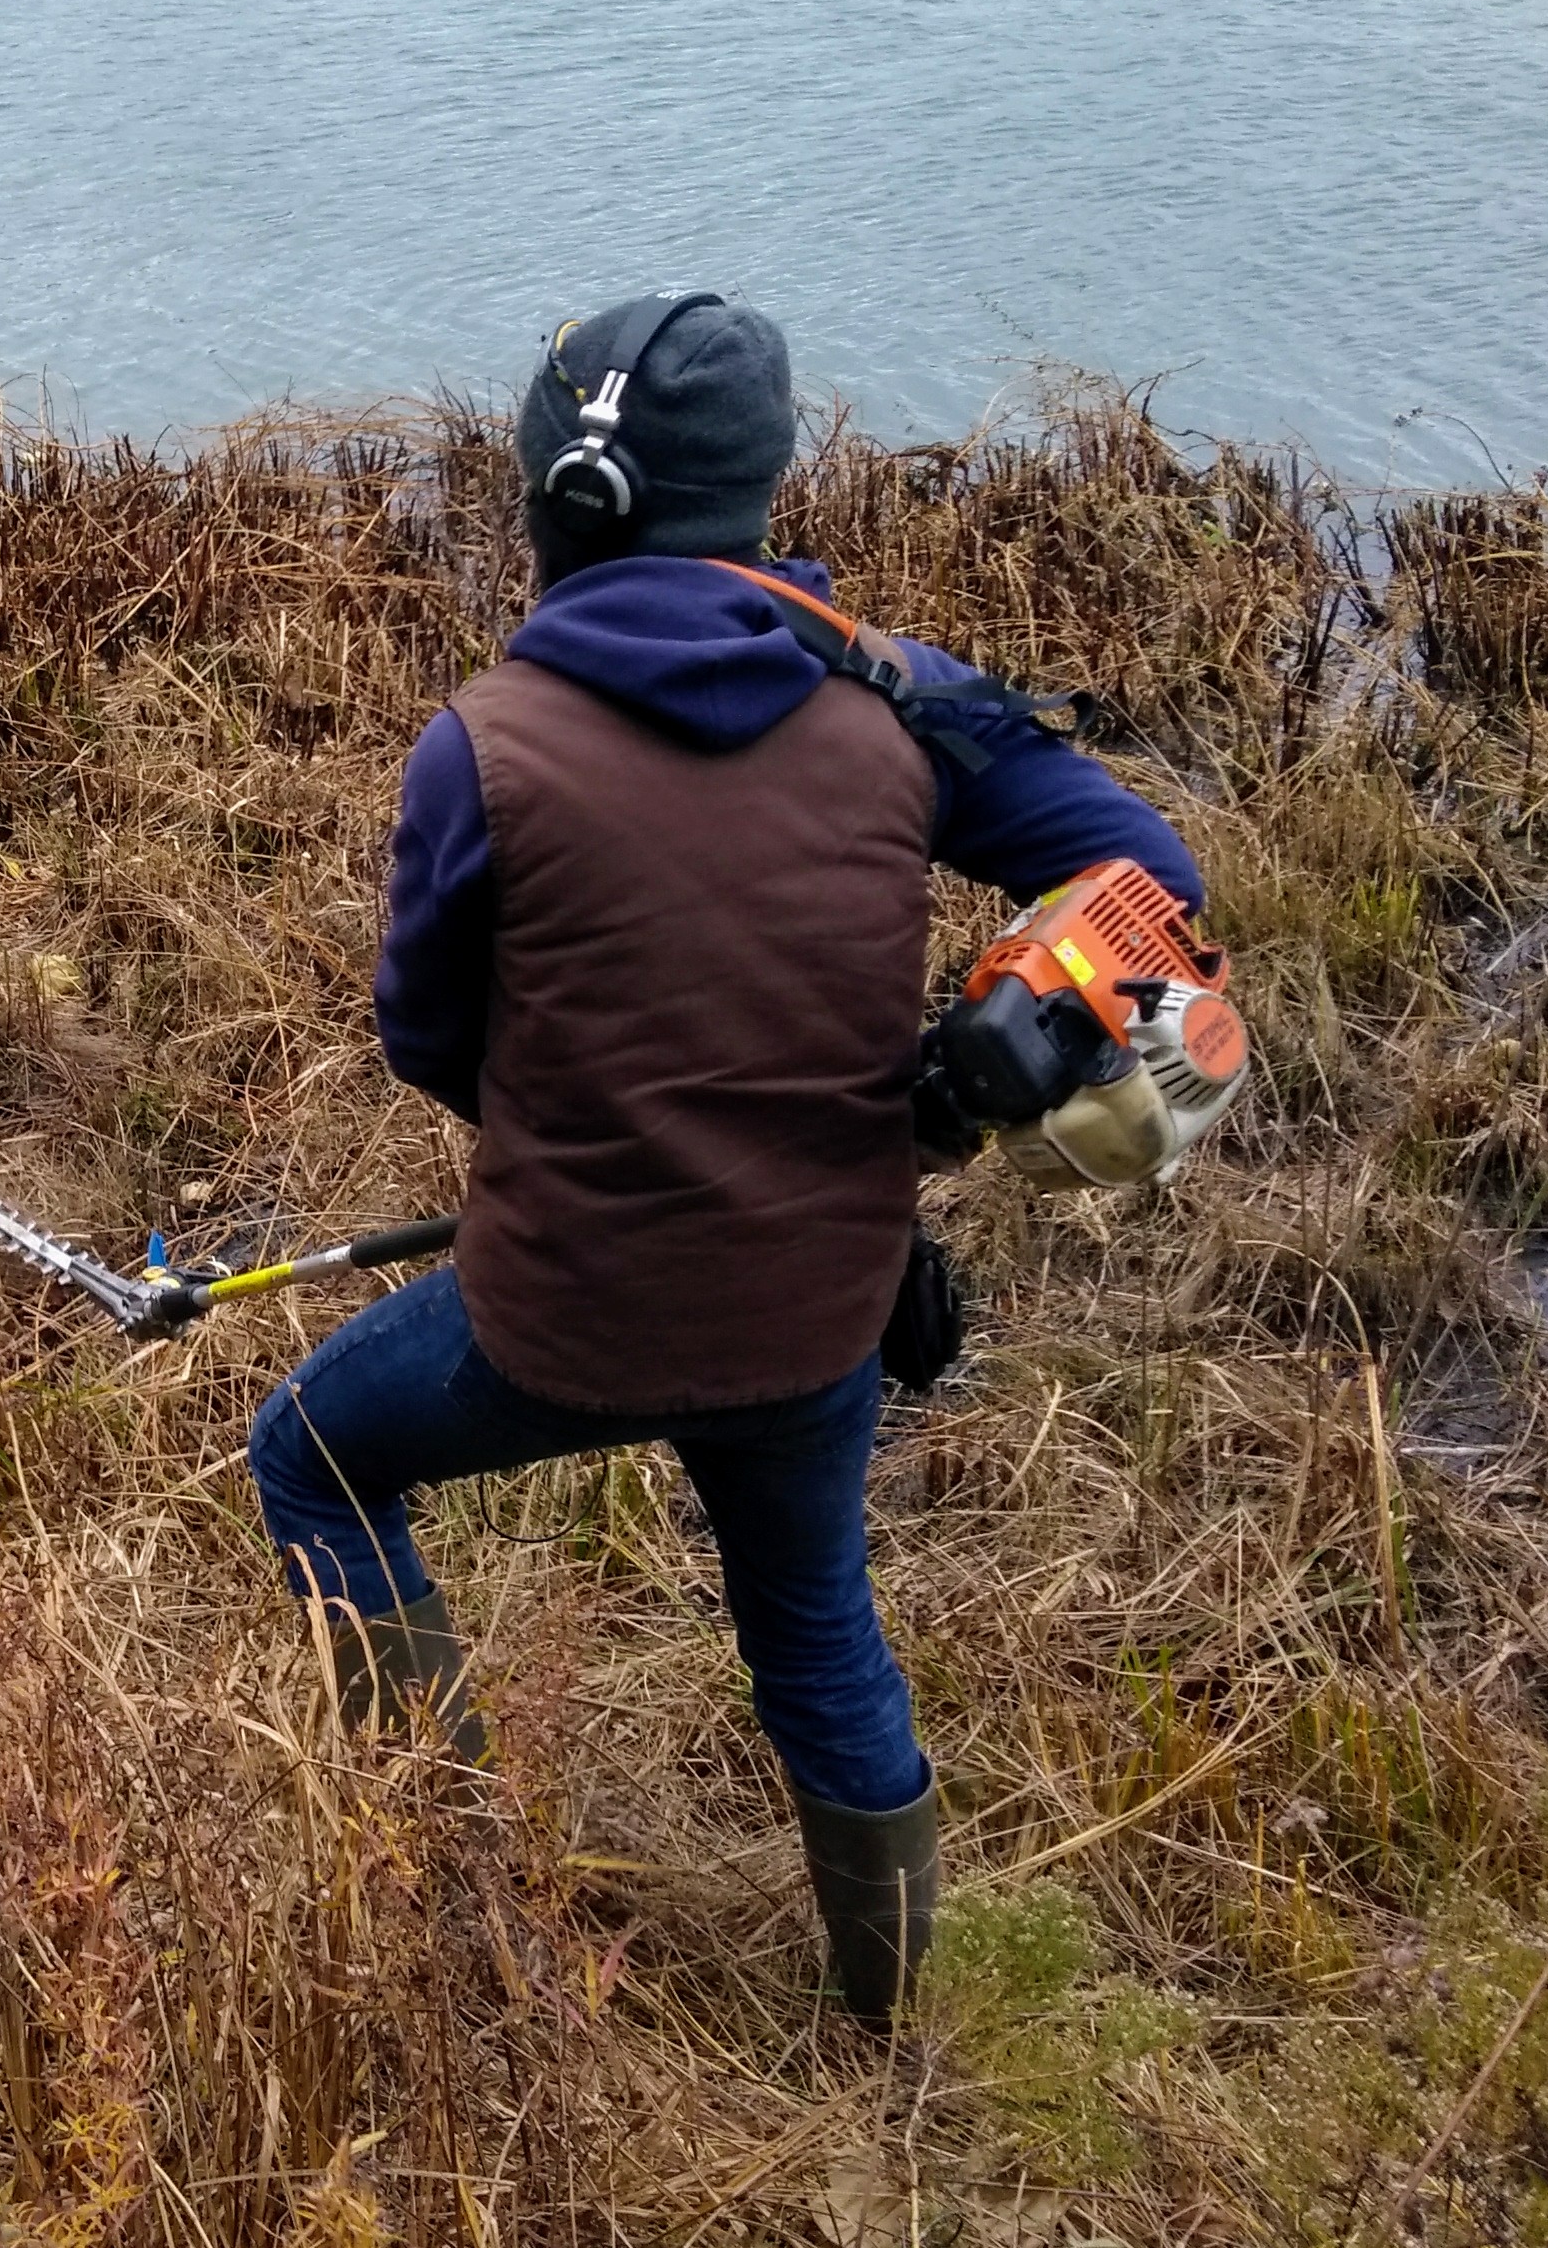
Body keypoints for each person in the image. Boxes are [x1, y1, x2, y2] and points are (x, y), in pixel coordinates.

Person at [245, 293, 1204, 2021]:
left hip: (561, 1321)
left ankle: (441, 1877)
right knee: (816, 1636)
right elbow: (1144, 876)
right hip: (819, 1317)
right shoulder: (899, 703)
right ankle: (888, 2022)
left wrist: (597, 1130)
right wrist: (974, 1071)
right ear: (760, 488)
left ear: (548, 495)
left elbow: (423, 1042)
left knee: (311, 1458)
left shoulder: (482, 750)